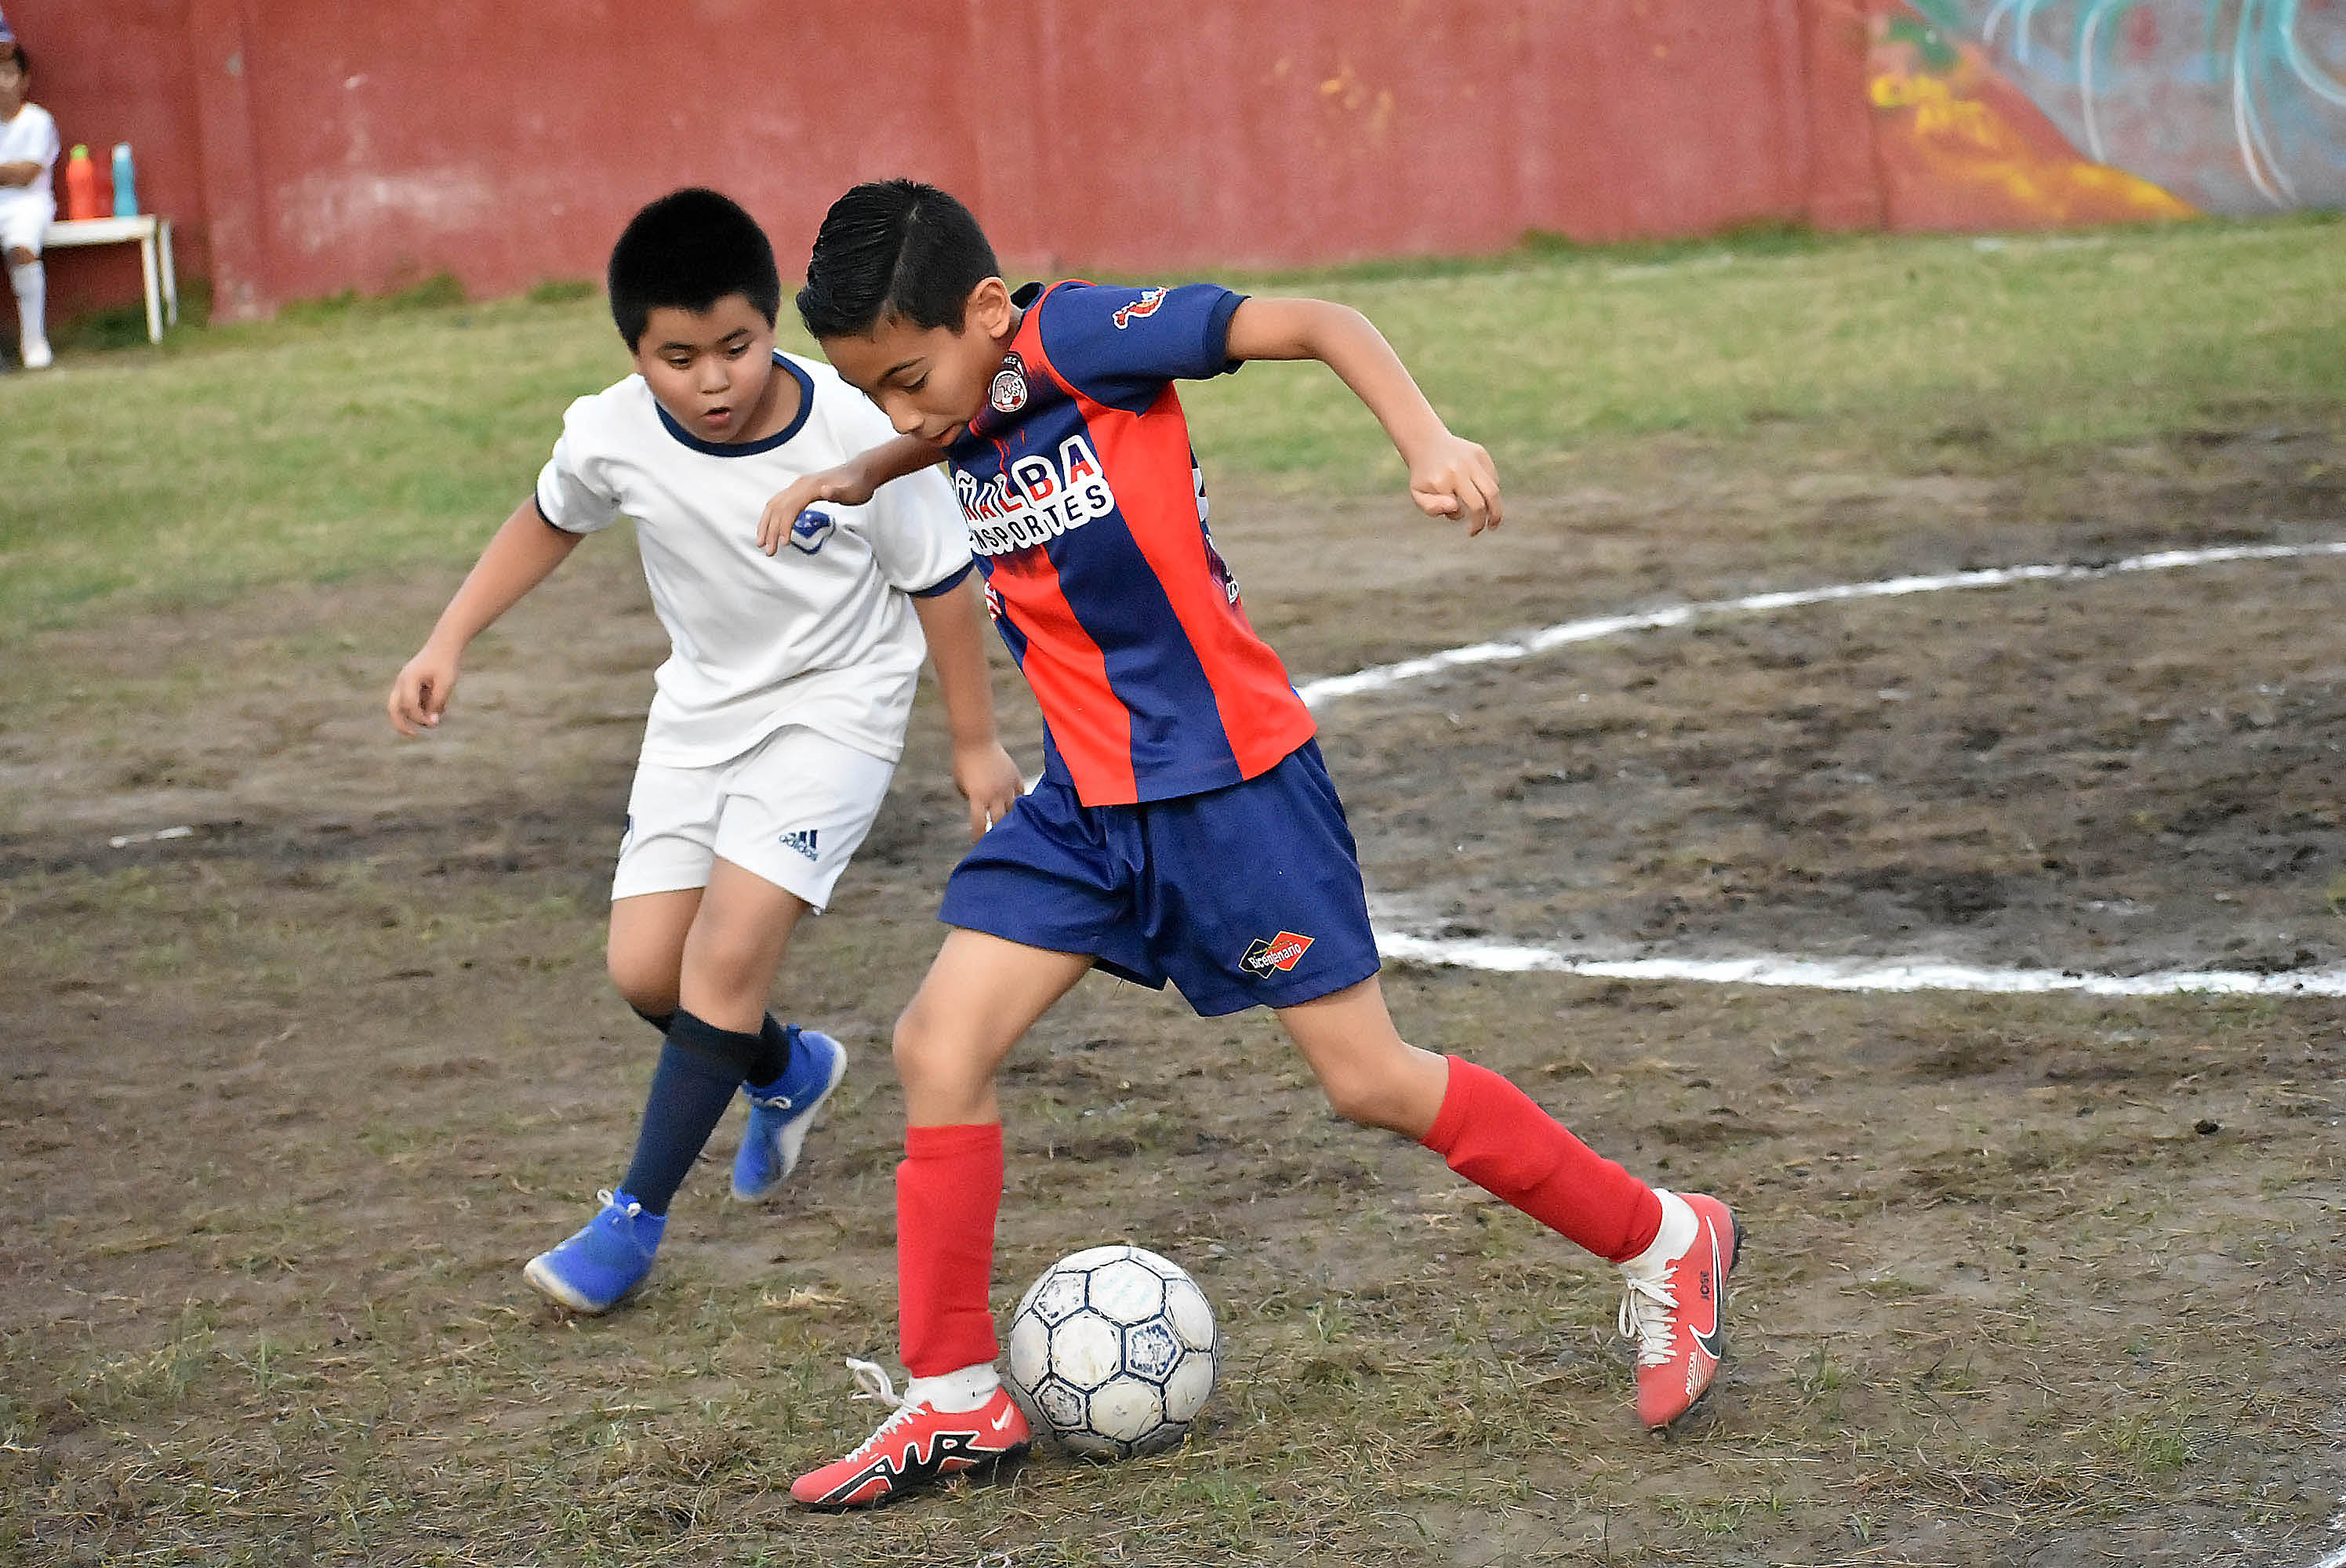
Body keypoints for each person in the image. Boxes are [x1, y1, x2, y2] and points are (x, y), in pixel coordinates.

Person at [761, 180, 1742, 1510]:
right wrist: (863, 469)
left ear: (989, 311)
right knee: (937, 1044)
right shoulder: (968, 391)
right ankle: (952, 1398)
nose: (898, 413)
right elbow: (961, 420)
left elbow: (1321, 321)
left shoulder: (1086, 336)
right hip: (1086, 805)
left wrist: (1427, 439)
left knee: (1371, 1080)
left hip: (1229, 787)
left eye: (905, 381)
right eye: (869, 393)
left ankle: (1665, 1237)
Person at [386, 188, 1021, 1316]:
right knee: (648, 973)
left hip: (836, 712)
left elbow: (940, 583)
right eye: (678, 360)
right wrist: (448, 638)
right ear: (637, 355)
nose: (713, 381)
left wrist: (974, 743)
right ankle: (787, 1068)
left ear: (771, 323)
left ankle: (630, 1222)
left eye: (736, 347)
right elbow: (548, 517)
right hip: (699, 716)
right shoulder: (611, 433)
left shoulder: (852, 426)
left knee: (723, 961)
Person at [0, 33, 57, 370]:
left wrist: (10, 173)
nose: (1, 82)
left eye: (8, 73)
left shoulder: (38, 121)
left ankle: (33, 342)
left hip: (29, 205)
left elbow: (27, 174)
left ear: (24, 80)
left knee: (22, 249)